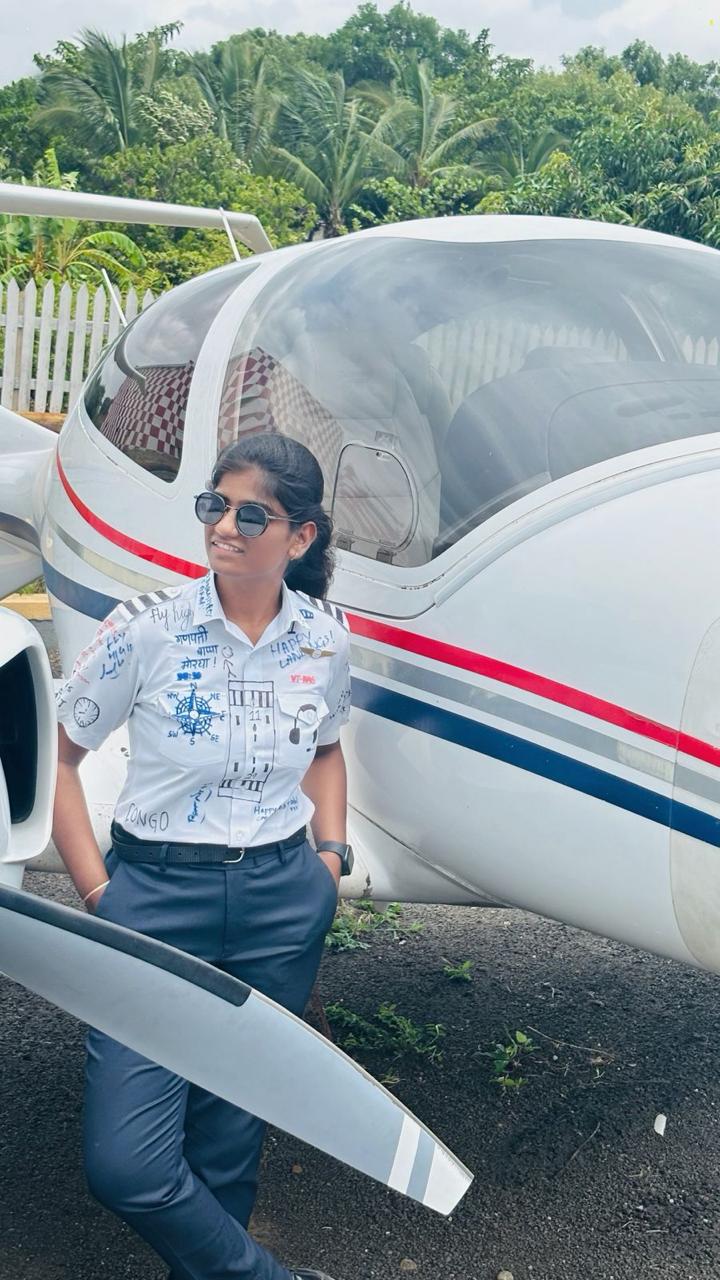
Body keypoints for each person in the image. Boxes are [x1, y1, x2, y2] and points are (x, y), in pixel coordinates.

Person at [52, 433, 354, 1280]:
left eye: (251, 514)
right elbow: (59, 759)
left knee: (230, 1134)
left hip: (281, 901)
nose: (224, 526)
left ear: (300, 537)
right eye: (215, 505)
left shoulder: (325, 638)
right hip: (154, 898)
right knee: (127, 1165)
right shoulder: (146, 630)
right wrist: (100, 894)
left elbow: (328, 748)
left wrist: (329, 860)